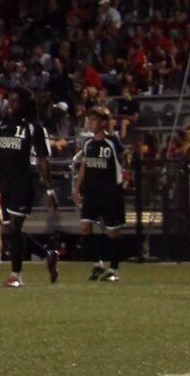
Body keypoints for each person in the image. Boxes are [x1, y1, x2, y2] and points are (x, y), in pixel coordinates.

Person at [0, 95, 58, 288]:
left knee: (14, 226)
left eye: (15, 101)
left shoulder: (33, 128)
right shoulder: (1, 126)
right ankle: (47, 255)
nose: (10, 104)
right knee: (11, 230)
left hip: (25, 180)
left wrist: (50, 190)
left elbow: (43, 161)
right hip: (6, 181)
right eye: (9, 100)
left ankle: (16, 275)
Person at [74, 107, 127, 282]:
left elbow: (123, 159)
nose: (90, 124)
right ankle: (98, 263)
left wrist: (125, 178)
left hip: (110, 192)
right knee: (85, 226)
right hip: (92, 192)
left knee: (113, 232)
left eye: (94, 120)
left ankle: (114, 269)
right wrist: (77, 188)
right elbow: (84, 166)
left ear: (103, 123)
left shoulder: (112, 142)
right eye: (89, 120)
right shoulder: (88, 144)